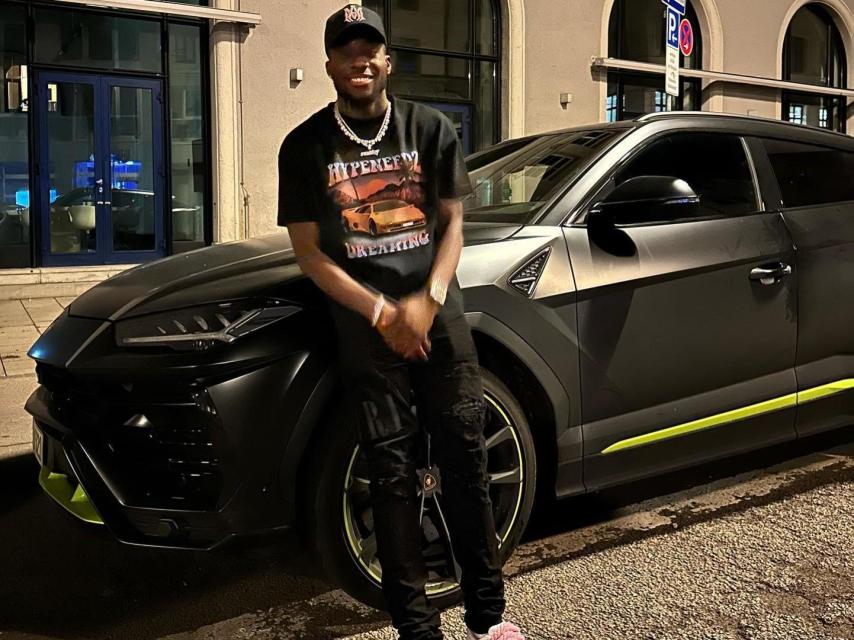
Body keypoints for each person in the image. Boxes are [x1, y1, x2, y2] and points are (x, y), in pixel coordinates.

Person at [276, 5, 526, 640]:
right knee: (390, 475)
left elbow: (453, 224)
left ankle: (489, 618)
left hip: (439, 318)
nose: (359, 60)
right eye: (346, 51)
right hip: (366, 329)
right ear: (330, 64)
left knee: (466, 458)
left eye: (370, 49)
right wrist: (384, 312)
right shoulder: (305, 146)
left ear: (388, 60)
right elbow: (310, 253)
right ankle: (417, 629)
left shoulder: (430, 128)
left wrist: (428, 301)